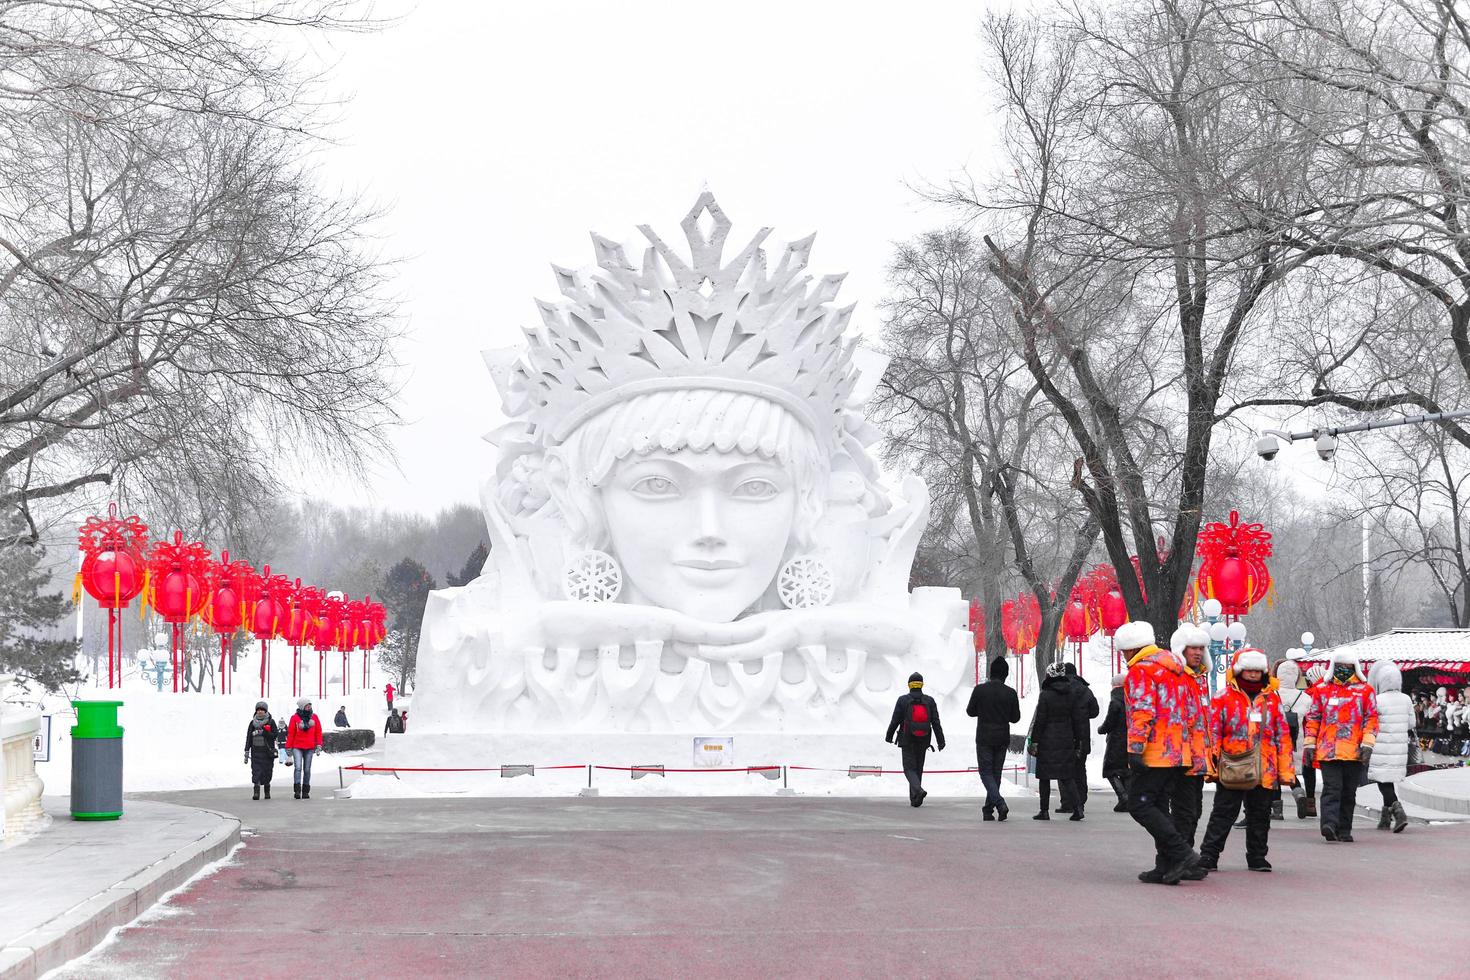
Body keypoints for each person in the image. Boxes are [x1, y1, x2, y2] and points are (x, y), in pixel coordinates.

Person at [1119, 620, 1207, 885]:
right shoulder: (1178, 670)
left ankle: (1181, 854)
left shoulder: (1141, 671)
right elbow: (1193, 715)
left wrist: (1135, 748)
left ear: (1131, 649)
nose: (1123, 656)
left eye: (1123, 651)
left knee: (1139, 804)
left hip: (1155, 751)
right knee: (1158, 805)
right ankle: (1165, 865)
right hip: (1179, 750)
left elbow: (1142, 710)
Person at [1197, 649, 1295, 873]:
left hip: (1265, 767)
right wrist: (1213, 765)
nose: (1252, 674)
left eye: (1256, 670)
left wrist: (1286, 771)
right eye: (1248, 670)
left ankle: (1258, 857)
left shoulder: (1272, 699)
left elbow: (1282, 735)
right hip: (1233, 765)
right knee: (1223, 813)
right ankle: (1209, 856)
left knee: (1260, 815)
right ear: (1240, 670)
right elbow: (1213, 733)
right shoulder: (1223, 697)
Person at [1303, 650, 1379, 842]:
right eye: (1339, 667)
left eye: (1347, 667)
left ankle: (1344, 829)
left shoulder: (1365, 691)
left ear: (1354, 668)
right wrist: (1309, 745)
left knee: (1348, 792)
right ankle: (1329, 824)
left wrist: (1368, 744)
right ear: (1333, 667)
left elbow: (1371, 718)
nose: (1343, 670)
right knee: (1331, 788)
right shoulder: (1322, 690)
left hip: (1355, 751)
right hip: (1329, 750)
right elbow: (1313, 718)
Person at [1169, 624, 1213, 849]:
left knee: (1194, 810)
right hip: (1181, 759)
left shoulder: (1200, 680)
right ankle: (1181, 854)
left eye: (1201, 648)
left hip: (1199, 759)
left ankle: (1185, 851)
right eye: (1192, 648)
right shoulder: (1176, 679)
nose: (1197, 652)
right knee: (1184, 811)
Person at [1029, 662, 1087, 821]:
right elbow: (1077, 719)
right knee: (1067, 777)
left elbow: (1040, 721)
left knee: (1044, 777)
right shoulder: (1072, 694)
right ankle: (1077, 808)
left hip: (1047, 741)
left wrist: (1034, 741)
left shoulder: (1045, 695)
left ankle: (1044, 811)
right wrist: (1078, 741)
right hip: (1066, 739)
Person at [966, 654, 1020, 821]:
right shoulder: (1010, 693)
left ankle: (999, 803)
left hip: (984, 737)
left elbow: (970, 711)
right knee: (995, 773)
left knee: (986, 772)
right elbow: (1015, 717)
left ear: (990, 673)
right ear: (1006, 674)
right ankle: (988, 809)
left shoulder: (980, 690)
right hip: (1002, 737)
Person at [885, 671, 946, 807]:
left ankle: (918, 790)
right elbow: (936, 722)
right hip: (924, 738)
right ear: (921, 685)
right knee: (918, 768)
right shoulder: (929, 701)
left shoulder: (903, 700)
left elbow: (895, 720)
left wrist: (889, 736)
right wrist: (941, 741)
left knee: (909, 768)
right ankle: (915, 799)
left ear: (909, 685)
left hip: (907, 739)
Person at [1368, 660, 1412, 833]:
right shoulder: (1406, 699)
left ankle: (1398, 811)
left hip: (1381, 748)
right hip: (1399, 749)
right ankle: (1385, 819)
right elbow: (1411, 724)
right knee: (1388, 780)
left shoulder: (1377, 700)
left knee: (1382, 781)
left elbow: (1372, 723)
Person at [1057, 662, 1098, 814]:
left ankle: (1067, 802)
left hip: (1065, 736)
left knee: (1063, 770)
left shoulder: (1060, 689)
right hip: (1082, 736)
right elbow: (1095, 712)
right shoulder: (1085, 690)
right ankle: (1081, 801)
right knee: (1080, 769)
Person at [1276, 660, 1311, 819]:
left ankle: (1277, 810)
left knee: (1275, 773)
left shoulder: (1271, 695)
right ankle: (1299, 794)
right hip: (1296, 741)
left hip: (1275, 740)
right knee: (1288, 770)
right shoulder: (1305, 698)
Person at [1299, 664, 1329, 816]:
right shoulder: (1330, 691)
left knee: (1308, 769)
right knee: (1328, 771)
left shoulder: (1309, 693)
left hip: (1310, 736)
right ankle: (1328, 806)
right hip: (1327, 738)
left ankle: (1311, 803)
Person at [1098, 672, 1130, 812]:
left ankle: (1124, 798)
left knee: (1110, 770)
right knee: (1124, 769)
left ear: (1116, 685)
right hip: (1130, 740)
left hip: (1116, 740)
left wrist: (1101, 729)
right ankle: (1126, 799)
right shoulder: (1132, 699)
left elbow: (1110, 721)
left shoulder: (1115, 701)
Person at [286, 697, 325, 800]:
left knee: (307, 769)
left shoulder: (314, 717)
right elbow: (291, 733)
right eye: (307, 706)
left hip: (310, 747)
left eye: (310, 705)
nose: (309, 707)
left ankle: (306, 791)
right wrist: (288, 748)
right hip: (297, 747)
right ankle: (297, 790)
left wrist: (319, 744)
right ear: (302, 707)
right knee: (298, 768)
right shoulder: (294, 718)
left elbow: (318, 731)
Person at [243, 701, 278, 800]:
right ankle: (256, 792)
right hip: (256, 752)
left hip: (267, 752)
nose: (260, 712)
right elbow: (248, 738)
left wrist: (265, 732)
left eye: (262, 710)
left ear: (266, 711)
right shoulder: (252, 723)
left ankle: (267, 791)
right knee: (256, 771)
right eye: (258, 710)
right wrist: (246, 750)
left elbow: (275, 735)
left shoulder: (271, 722)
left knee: (267, 772)